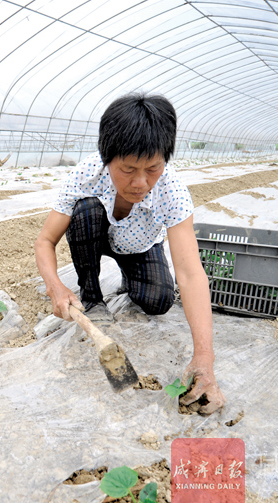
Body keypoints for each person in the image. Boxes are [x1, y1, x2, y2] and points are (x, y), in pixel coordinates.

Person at [34, 93, 225, 415]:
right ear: (107, 158)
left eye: (153, 168)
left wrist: (204, 357)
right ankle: (92, 296)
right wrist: (55, 285)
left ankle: (128, 275)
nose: (140, 183)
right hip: (93, 236)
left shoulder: (172, 192)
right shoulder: (86, 175)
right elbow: (44, 241)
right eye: (127, 169)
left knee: (158, 301)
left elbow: (191, 274)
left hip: (139, 245)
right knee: (86, 211)